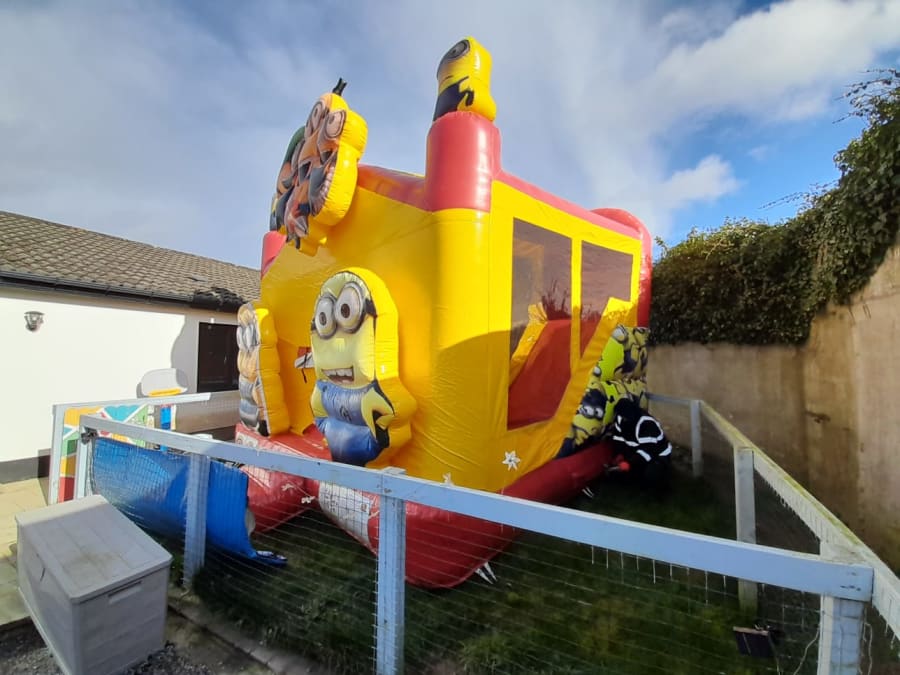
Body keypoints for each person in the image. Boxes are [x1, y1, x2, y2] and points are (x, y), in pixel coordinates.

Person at [606, 396, 672, 493]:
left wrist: (629, 463)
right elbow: (618, 439)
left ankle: (662, 484)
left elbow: (648, 450)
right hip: (638, 452)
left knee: (651, 475)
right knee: (619, 475)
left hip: (658, 454)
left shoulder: (646, 423)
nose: (625, 419)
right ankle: (637, 476)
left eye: (627, 417)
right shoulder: (620, 419)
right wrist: (619, 454)